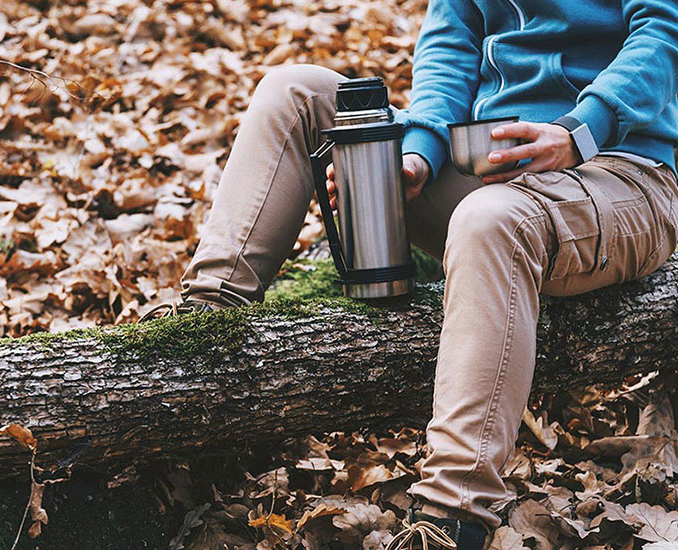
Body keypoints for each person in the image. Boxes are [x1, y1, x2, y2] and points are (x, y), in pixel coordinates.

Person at [147, 0, 678, 548]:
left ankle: (452, 516)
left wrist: (579, 131)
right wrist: (418, 155)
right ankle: (198, 335)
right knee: (296, 90)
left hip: (622, 171)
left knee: (489, 219)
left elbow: (665, 31)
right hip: (490, 162)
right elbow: (450, 45)